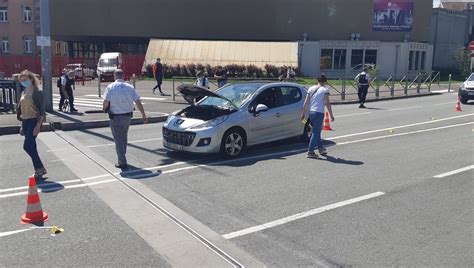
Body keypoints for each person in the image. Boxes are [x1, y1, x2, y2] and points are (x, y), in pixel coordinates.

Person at [103, 69, 148, 169]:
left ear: (114, 76)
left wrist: (104, 109)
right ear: (123, 76)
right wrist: (143, 114)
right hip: (127, 116)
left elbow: (106, 101)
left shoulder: (110, 87)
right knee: (124, 136)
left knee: (118, 139)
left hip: (115, 117)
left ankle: (122, 161)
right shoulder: (130, 87)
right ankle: (122, 153)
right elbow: (137, 101)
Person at [16, 70, 47, 178]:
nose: (23, 82)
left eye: (25, 79)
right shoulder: (24, 91)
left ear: (31, 79)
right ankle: (39, 170)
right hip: (25, 121)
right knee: (32, 147)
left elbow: (42, 112)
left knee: (27, 146)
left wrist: (38, 126)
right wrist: (22, 126)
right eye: (21, 80)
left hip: (34, 121)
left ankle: (40, 168)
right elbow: (23, 109)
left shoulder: (38, 92)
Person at [301, 75, 335, 159]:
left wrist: (303, 113)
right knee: (315, 132)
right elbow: (327, 103)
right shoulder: (325, 90)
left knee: (317, 131)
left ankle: (321, 149)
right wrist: (331, 115)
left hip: (311, 112)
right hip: (319, 113)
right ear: (325, 81)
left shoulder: (311, 88)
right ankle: (310, 151)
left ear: (318, 81)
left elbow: (306, 102)